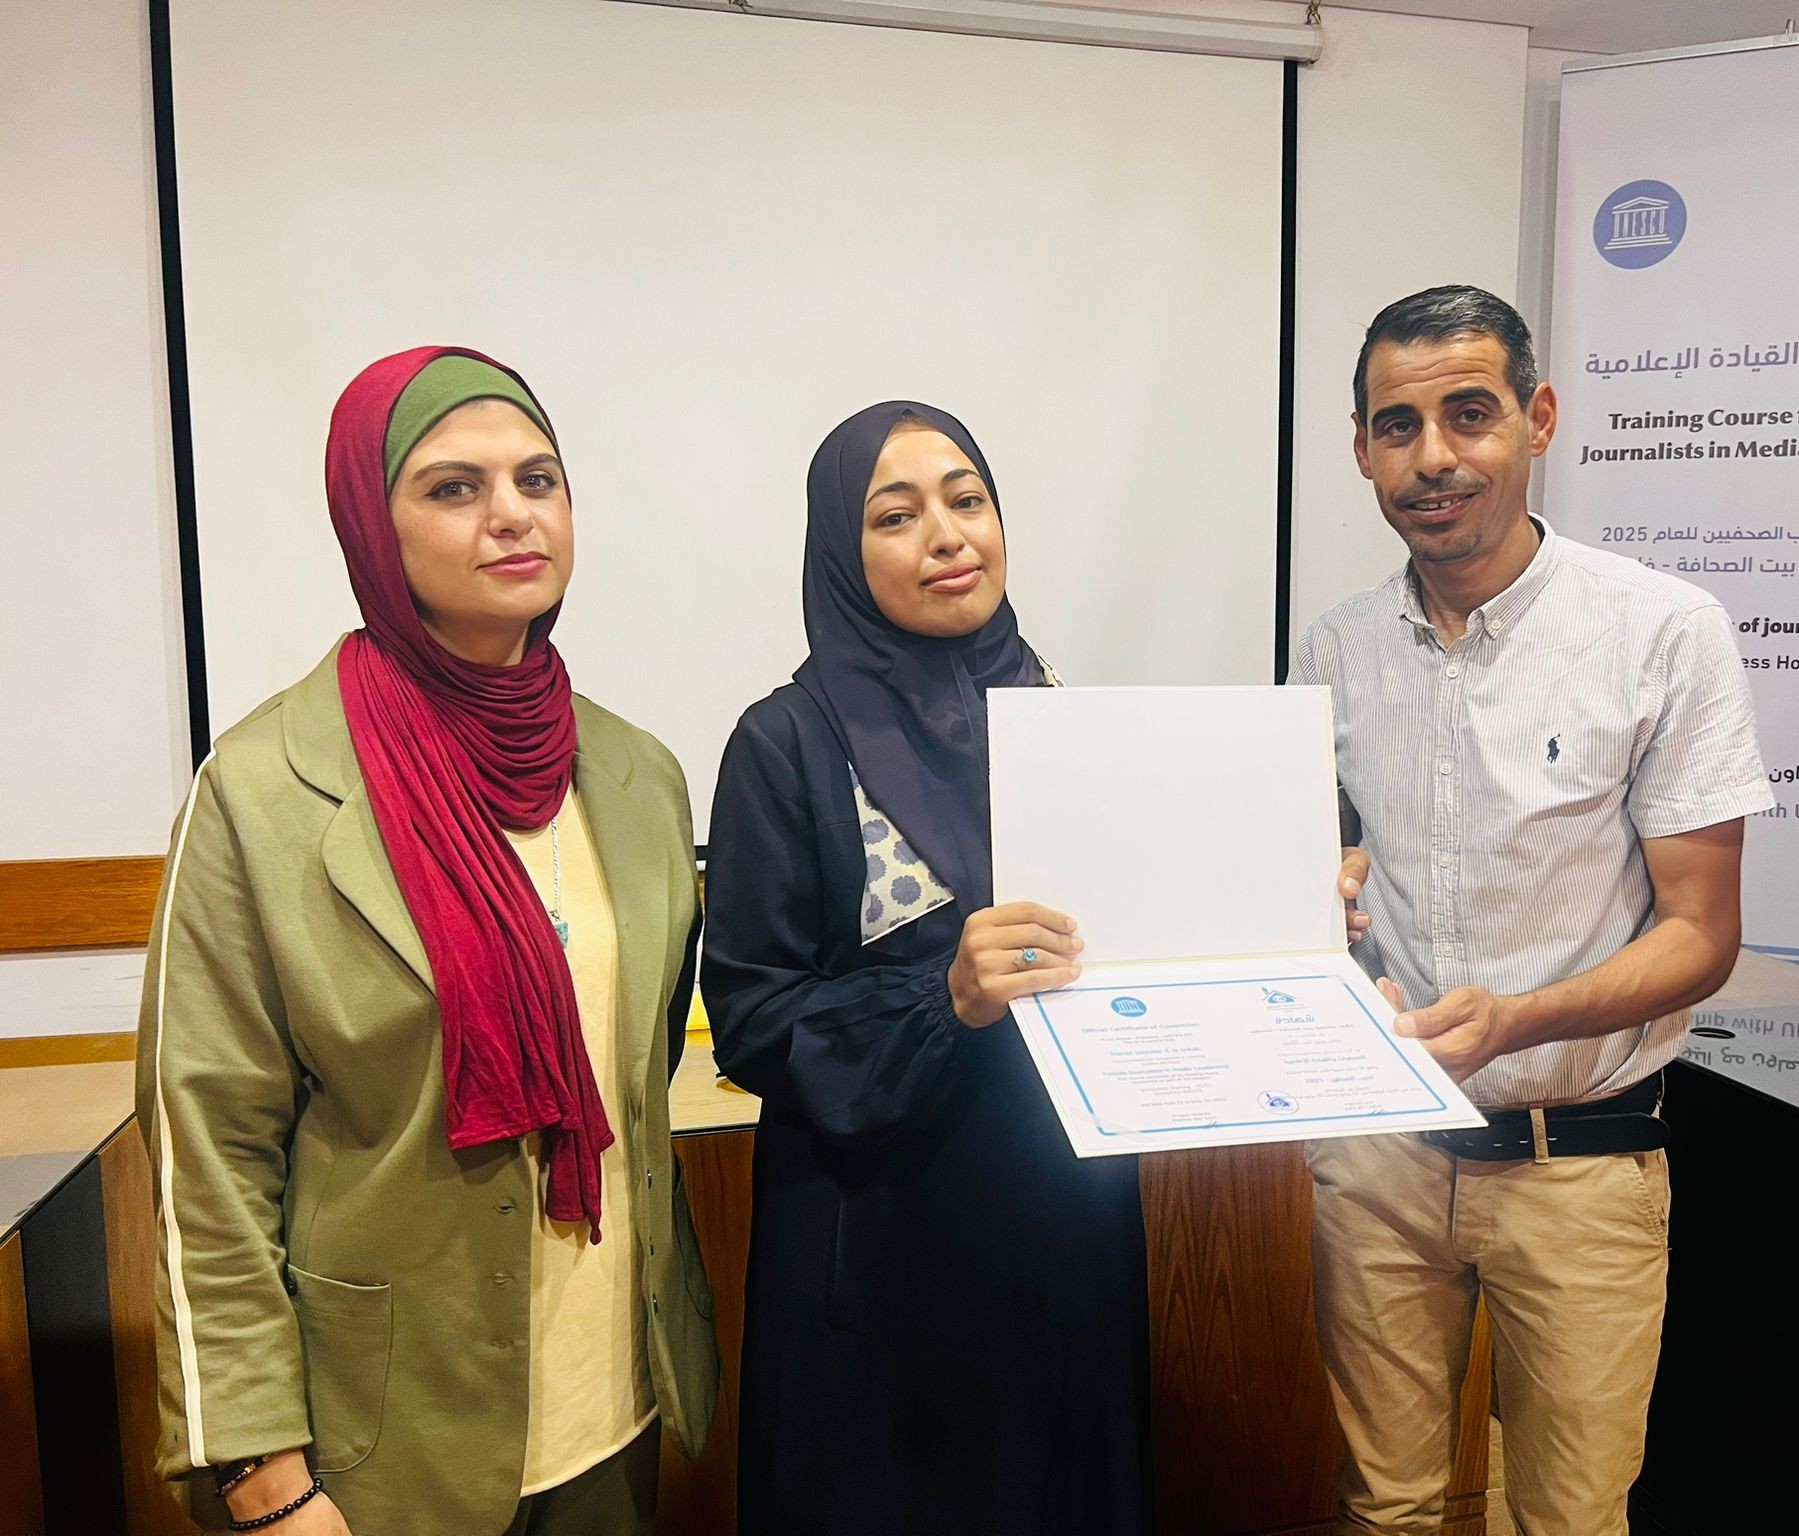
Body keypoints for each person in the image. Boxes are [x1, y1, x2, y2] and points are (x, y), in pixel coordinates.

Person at [135, 347, 717, 1534]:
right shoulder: (261, 791)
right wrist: (263, 1474)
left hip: (612, 1406)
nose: (511, 513)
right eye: (453, 487)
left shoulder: (637, 775)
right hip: (381, 1449)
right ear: (371, 524)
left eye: (537, 479)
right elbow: (209, 1153)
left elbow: (639, 1066)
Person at [1293, 286, 1772, 1534]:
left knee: (1567, 1519)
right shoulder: (1333, 650)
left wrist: (1515, 1019)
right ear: (1361, 451)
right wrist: (1321, 895)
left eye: (1468, 413)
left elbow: (1700, 936)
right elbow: (1327, 873)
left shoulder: (1661, 633)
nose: (1431, 457)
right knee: (1384, 1510)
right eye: (1396, 426)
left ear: (1536, 418)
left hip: (1580, 1168)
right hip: (1380, 1161)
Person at [702, 401, 1153, 1535]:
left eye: (967, 500)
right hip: (879, 1248)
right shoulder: (786, 742)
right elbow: (752, 1016)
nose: (947, 536)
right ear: (840, 553)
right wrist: (941, 998)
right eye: (895, 516)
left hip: (1063, 1222)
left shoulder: (1062, 714)